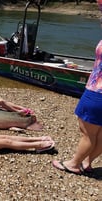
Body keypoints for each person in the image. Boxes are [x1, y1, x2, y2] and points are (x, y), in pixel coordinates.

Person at [52, 0, 102, 175]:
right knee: (100, 135)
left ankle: (74, 164)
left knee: (88, 133)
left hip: (97, 92)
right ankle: (87, 163)